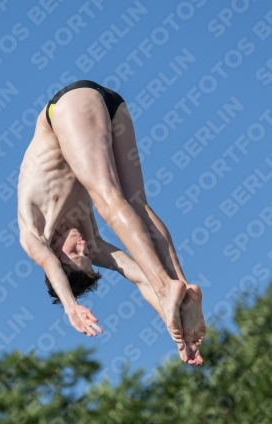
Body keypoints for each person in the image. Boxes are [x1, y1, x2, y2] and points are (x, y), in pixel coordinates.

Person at [17, 80, 206, 366]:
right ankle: (180, 290)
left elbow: (50, 266)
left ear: (57, 256)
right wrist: (178, 333)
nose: (84, 246)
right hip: (112, 106)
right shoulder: (90, 241)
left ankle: (169, 288)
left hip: (68, 105)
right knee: (136, 205)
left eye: (76, 254)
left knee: (107, 197)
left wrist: (72, 307)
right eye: (87, 255)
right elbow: (139, 276)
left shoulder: (33, 233)